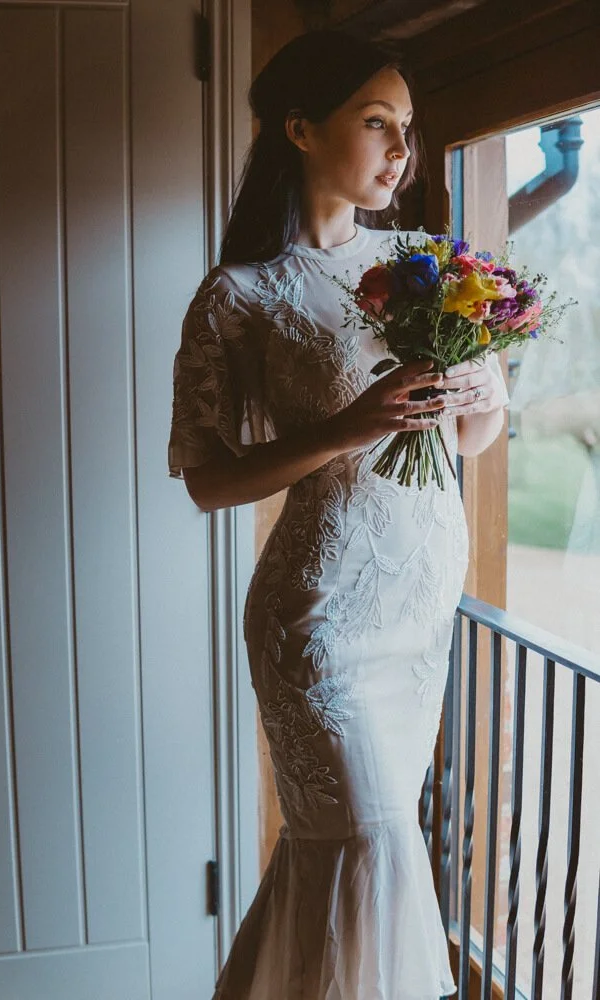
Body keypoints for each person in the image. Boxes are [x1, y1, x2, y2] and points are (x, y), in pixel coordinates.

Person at [168, 27, 509, 1000]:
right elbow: (207, 477)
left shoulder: (426, 262)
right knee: (373, 844)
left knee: (350, 861)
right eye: (377, 122)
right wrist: (353, 424)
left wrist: (469, 390)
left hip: (417, 614)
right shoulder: (241, 296)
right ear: (300, 128)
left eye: (408, 127)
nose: (402, 148)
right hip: (320, 619)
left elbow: (475, 438)